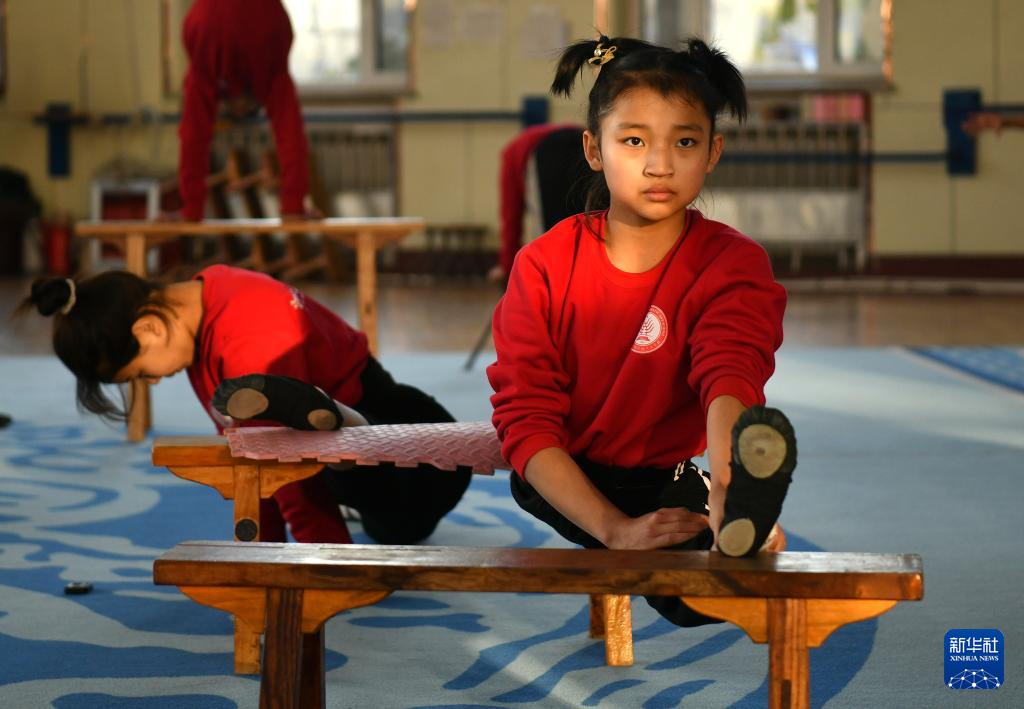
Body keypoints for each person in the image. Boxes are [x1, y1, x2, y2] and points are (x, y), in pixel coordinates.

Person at [486, 35, 797, 628]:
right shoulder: (544, 264)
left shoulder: (733, 262)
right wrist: (615, 530)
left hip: (663, 473)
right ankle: (722, 531)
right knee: (661, 556)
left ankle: (740, 526)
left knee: (704, 587)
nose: (661, 164)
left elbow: (730, 375)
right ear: (593, 149)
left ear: (713, 151)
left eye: (685, 141)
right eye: (634, 141)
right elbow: (527, 418)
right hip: (560, 469)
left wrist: (729, 486)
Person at [20, 265, 471, 545]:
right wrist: (259, 550)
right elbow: (252, 462)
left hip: (416, 452)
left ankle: (341, 426)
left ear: (148, 330)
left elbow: (289, 481)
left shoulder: (251, 340)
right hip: (358, 464)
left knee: (380, 506)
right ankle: (336, 434)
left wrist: (331, 564)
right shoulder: (203, 299)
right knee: (379, 521)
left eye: (140, 373)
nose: (153, 381)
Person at [177, 0, 316, 221]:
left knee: (197, 116)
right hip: (253, 22)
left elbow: (193, 135)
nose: (240, 110)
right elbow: (291, 134)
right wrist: (293, 204)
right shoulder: (271, 66)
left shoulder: (209, 64)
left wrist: (191, 209)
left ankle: (192, 208)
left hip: (221, 20)